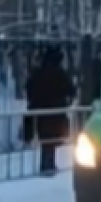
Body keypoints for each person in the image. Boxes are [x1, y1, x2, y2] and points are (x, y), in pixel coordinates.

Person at [24, 47, 76, 175]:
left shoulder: (38, 73)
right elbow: (71, 90)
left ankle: (47, 165)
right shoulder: (59, 73)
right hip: (56, 112)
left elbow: (29, 89)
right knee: (51, 141)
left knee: (45, 140)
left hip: (40, 113)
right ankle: (49, 166)